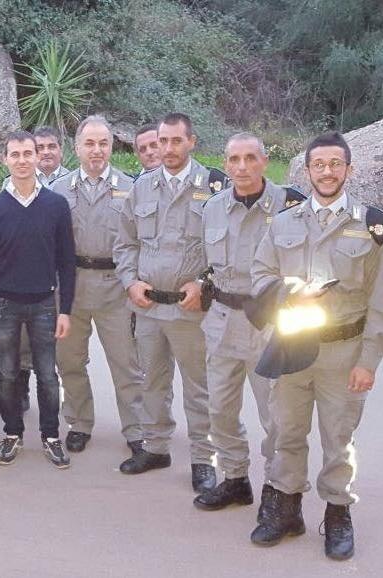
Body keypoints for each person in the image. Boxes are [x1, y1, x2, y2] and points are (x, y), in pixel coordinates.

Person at [249, 131, 383, 561]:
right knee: (286, 430)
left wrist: (368, 361)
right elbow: (260, 277)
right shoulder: (284, 223)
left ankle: (338, 513)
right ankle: (286, 509)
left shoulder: (372, 228)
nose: (327, 172)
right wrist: (292, 291)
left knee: (338, 438)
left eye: (335, 164)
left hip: (344, 352)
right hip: (292, 344)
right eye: (319, 165)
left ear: (349, 169)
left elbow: (379, 303)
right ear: (306, 171)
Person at [192, 133, 306, 512]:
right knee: (220, 409)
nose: (242, 167)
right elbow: (204, 262)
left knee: (276, 416)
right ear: (226, 164)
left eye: (250, 158)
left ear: (264, 161)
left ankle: (278, 490)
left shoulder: (290, 207)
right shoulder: (212, 208)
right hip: (222, 320)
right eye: (234, 159)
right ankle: (235, 478)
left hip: (269, 324)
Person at [113, 113, 216, 492]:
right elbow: (125, 243)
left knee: (198, 387)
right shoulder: (142, 188)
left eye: (176, 141)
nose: (168, 149)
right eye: (162, 141)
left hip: (191, 310)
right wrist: (130, 282)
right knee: (152, 382)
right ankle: (156, 447)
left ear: (192, 142)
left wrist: (204, 284)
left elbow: (225, 250)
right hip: (149, 308)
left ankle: (204, 459)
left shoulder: (214, 188)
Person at [0, 131, 76, 469]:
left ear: (37, 157)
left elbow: (66, 262)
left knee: (47, 375)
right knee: (7, 373)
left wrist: (65, 310)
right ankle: (12, 432)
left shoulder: (56, 205)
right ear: (5, 159)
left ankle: (51, 435)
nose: (21, 160)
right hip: (4, 305)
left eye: (27, 153)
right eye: (15, 154)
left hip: (45, 304)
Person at [50, 116, 146, 456]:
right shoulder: (59, 190)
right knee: (70, 361)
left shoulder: (131, 188)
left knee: (126, 364)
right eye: (89, 143)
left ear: (112, 147)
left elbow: (139, 240)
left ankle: (137, 429)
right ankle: (79, 422)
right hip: (71, 288)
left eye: (103, 143)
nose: (96, 150)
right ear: (76, 148)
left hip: (115, 287)